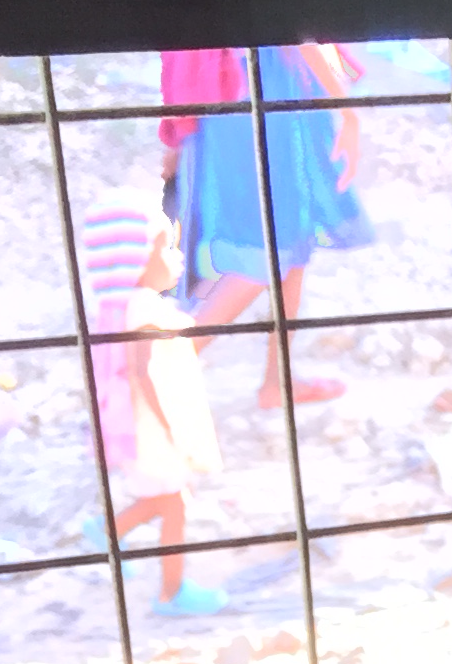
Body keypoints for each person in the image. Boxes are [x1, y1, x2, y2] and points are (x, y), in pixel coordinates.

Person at [160, 45, 373, 409]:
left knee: (292, 239)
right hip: (261, 90)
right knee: (267, 255)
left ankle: (277, 381)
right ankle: (155, 378)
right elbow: (295, 30)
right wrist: (348, 111)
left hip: (237, 85)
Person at [79, 202, 227, 615]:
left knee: (168, 500)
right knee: (174, 503)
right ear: (137, 262)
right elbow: (142, 373)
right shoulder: (142, 310)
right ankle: (171, 593)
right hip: (152, 429)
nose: (177, 258)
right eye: (166, 249)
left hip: (144, 427)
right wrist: (173, 430)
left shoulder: (128, 306)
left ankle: (108, 532)